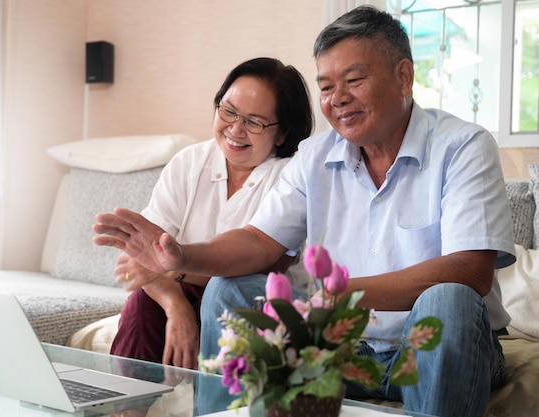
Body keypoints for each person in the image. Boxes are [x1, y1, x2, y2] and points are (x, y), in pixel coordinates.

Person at [93, 6, 515, 417]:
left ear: (403, 76)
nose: (338, 99)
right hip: (337, 350)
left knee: (448, 300)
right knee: (230, 290)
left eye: (354, 80)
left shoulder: (463, 146)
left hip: (430, 346)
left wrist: (342, 296)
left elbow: (470, 271)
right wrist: (181, 256)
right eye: (327, 87)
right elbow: (259, 241)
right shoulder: (314, 156)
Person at [95, 57, 313, 370]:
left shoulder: (291, 176)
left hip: (256, 305)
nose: (235, 129)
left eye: (254, 122)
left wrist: (171, 268)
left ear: (282, 133)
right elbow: (137, 265)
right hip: (188, 296)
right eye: (228, 111)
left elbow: (260, 271)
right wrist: (175, 306)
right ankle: (125, 407)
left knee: (224, 293)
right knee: (142, 303)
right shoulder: (189, 162)